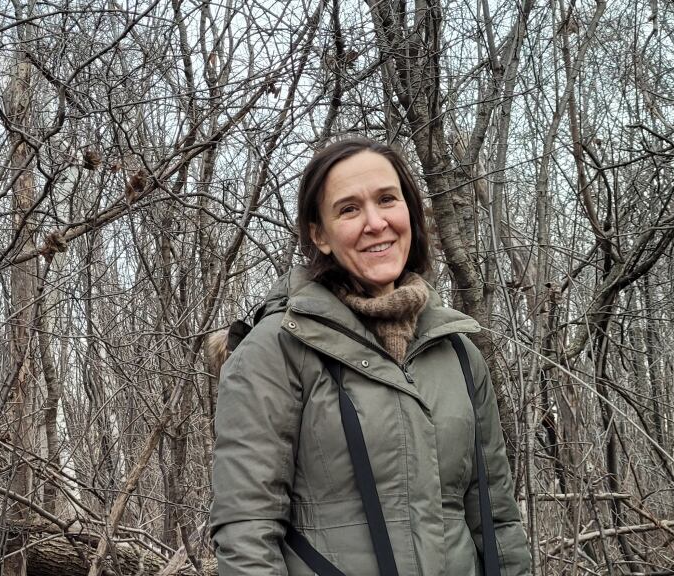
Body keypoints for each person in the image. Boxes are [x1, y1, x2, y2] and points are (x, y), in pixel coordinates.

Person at [209, 137, 531, 575]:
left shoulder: (458, 353)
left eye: (387, 199)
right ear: (319, 235)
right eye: (348, 209)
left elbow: (497, 521)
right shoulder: (278, 349)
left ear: (410, 215)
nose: (375, 222)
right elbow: (246, 530)